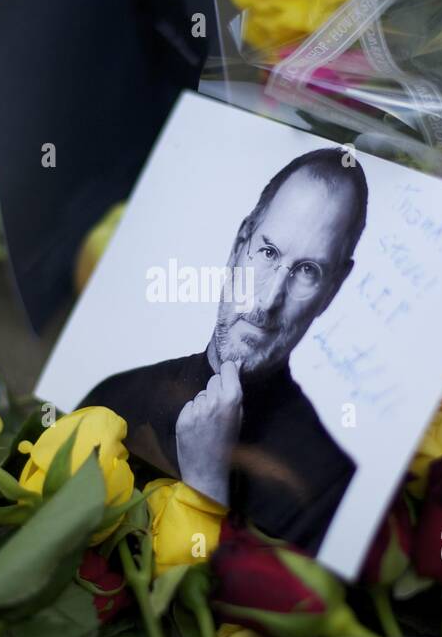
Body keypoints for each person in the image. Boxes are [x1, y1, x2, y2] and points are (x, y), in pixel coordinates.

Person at [80, 147, 368, 552]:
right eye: (268, 253)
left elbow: (236, 613)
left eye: (308, 271)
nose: (267, 301)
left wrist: (206, 483)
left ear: (333, 289)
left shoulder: (328, 490)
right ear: (238, 246)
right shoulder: (112, 396)